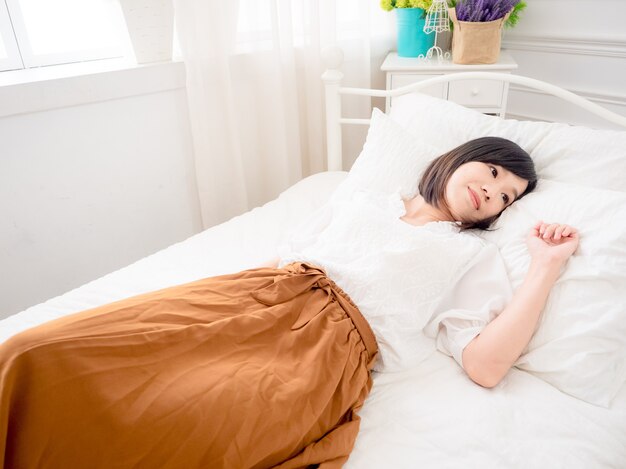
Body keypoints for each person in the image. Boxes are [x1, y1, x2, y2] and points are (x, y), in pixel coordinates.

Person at [0, 137, 578, 469]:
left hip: (325, 345)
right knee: (40, 351)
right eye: (494, 170)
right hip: (253, 296)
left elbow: (484, 366)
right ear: (459, 158)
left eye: (506, 197)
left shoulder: (469, 255)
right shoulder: (368, 200)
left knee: (178, 421)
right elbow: (293, 251)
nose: (492, 191)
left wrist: (545, 269)